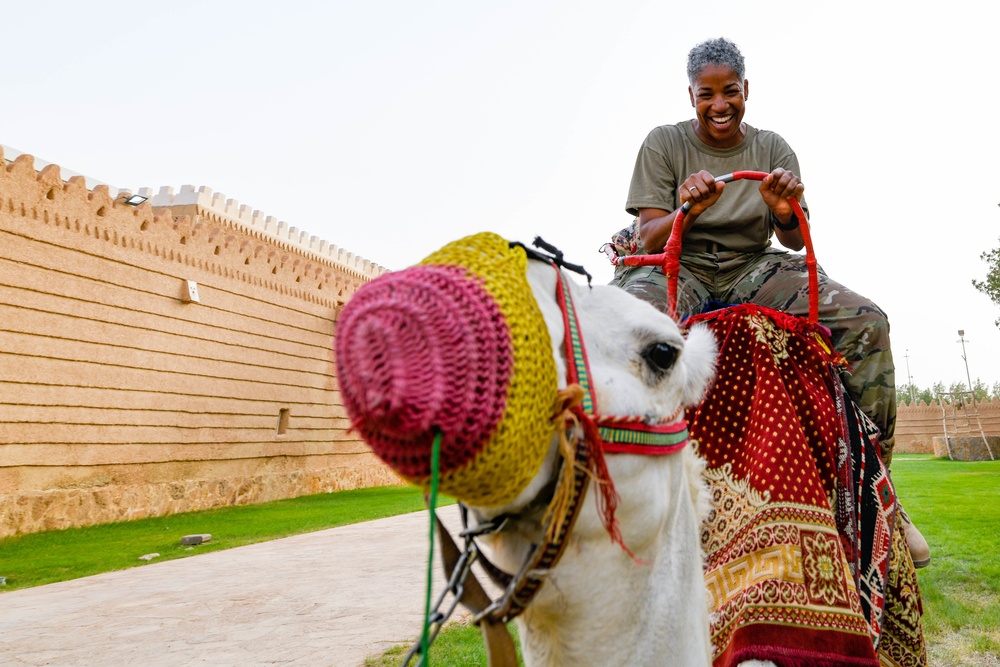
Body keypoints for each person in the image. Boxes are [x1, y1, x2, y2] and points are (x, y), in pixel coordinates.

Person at [606, 36, 930, 568]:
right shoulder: (663, 143)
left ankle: (882, 494)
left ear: (746, 90)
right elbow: (646, 237)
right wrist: (684, 206)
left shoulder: (774, 147)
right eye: (706, 93)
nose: (719, 104)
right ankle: (619, 495)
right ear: (690, 96)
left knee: (869, 322)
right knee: (624, 331)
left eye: (730, 91)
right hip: (680, 262)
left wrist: (783, 209)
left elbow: (795, 240)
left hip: (753, 267)